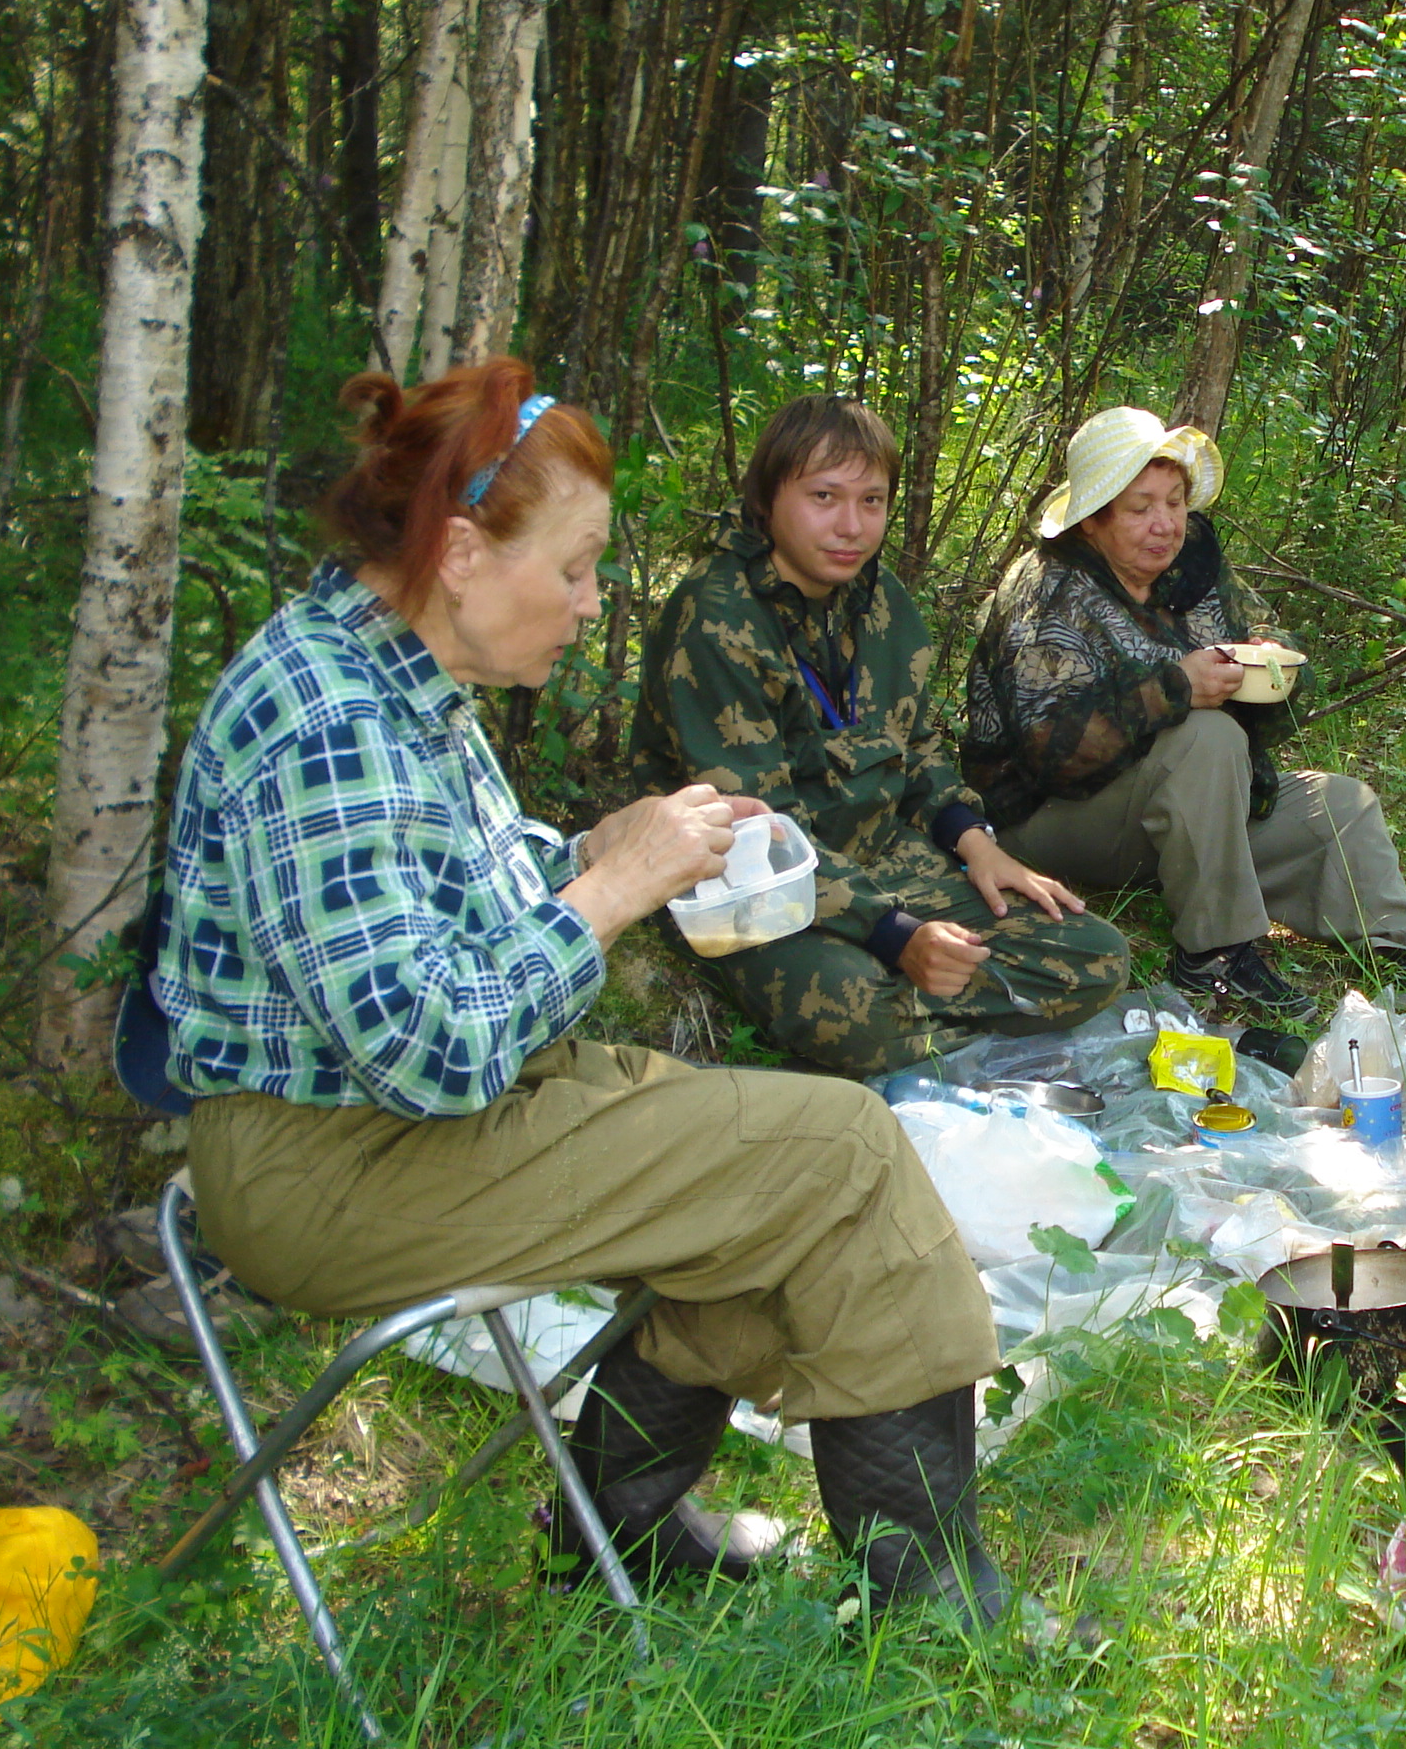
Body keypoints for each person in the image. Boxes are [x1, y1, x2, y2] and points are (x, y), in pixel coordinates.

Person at [153, 359, 1008, 1621]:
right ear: (457, 554)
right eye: (572, 571)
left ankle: (614, 1536)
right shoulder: (325, 721)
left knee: (771, 1166)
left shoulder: (397, 678)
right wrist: (611, 894)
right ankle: (937, 1604)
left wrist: (615, 847)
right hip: (333, 1163)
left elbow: (467, 904)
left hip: (399, 1119)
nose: (591, 603)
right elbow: (430, 1044)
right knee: (840, 1151)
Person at [629, 394, 1128, 1074]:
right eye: (824, 496)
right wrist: (895, 936)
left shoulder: (881, 598)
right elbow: (754, 831)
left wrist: (976, 844)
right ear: (769, 497)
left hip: (879, 851)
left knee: (1095, 953)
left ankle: (931, 1018)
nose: (851, 526)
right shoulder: (716, 616)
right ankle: (933, 1016)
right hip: (754, 882)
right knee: (853, 1014)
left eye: (872, 501)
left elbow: (917, 747)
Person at [960, 405, 1406, 1023]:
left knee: (1339, 805)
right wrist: (1175, 687)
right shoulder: (1049, 588)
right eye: (1140, 506)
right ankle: (1217, 954)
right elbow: (1048, 753)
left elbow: (1269, 638)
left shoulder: (1193, 570)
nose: (1164, 524)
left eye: (1175, 502)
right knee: (1205, 734)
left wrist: (1265, 666)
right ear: (1093, 521)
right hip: (1049, 819)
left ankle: (1391, 941)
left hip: (1173, 807)